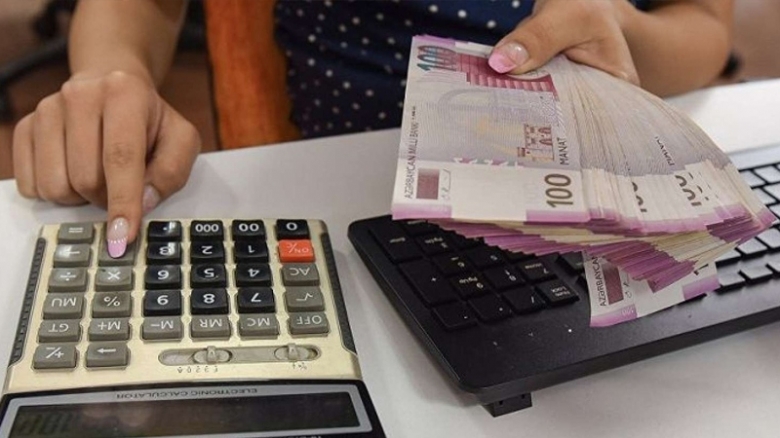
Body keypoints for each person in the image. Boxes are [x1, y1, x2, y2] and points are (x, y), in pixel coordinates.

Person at [12, 0, 734, 257]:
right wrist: (112, 73)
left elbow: (704, 25)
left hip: (600, 186)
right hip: (349, 207)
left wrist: (621, 32)